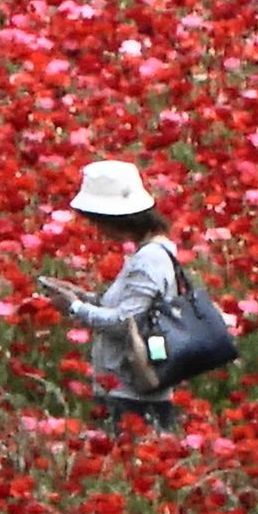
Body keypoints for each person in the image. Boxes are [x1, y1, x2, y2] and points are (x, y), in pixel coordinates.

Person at [50, 161, 187, 436]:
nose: (98, 229)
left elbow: (126, 321)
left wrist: (75, 307)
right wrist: (83, 297)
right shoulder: (151, 250)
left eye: (97, 221)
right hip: (126, 387)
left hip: (133, 393)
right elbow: (134, 309)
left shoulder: (150, 258)